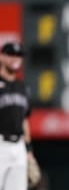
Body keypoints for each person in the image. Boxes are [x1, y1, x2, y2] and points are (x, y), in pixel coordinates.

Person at [0, 42, 41, 190]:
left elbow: (24, 121)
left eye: (18, 56)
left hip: (18, 148)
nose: (16, 59)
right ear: (2, 57)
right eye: (11, 55)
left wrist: (28, 151)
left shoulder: (22, 87)